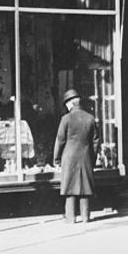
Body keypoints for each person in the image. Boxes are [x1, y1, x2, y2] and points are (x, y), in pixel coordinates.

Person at [53, 88, 100, 223]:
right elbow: (95, 142)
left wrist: (56, 159)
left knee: (70, 188)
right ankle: (86, 217)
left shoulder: (66, 119)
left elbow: (60, 140)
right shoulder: (90, 118)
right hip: (85, 157)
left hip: (69, 157)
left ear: (70, 104)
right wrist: (93, 158)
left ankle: (71, 218)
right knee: (85, 188)